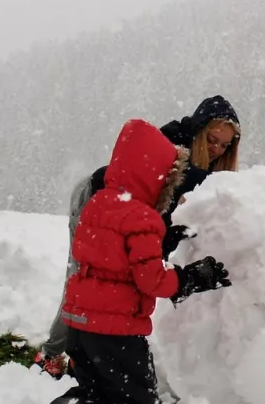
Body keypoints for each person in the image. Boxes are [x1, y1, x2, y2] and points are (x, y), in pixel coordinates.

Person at [40, 119, 231, 404]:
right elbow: (150, 280)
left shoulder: (97, 204)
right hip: (117, 334)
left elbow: (113, 257)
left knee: (94, 392)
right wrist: (190, 279)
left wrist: (162, 237)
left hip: (80, 326)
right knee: (140, 402)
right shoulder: (143, 218)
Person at [33, 95, 241, 376]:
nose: (217, 148)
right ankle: (53, 353)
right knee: (86, 276)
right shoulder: (175, 148)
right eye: (213, 139)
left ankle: (85, 349)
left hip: (119, 209)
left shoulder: (203, 167)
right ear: (200, 128)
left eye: (225, 144)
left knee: (104, 281)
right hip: (95, 200)